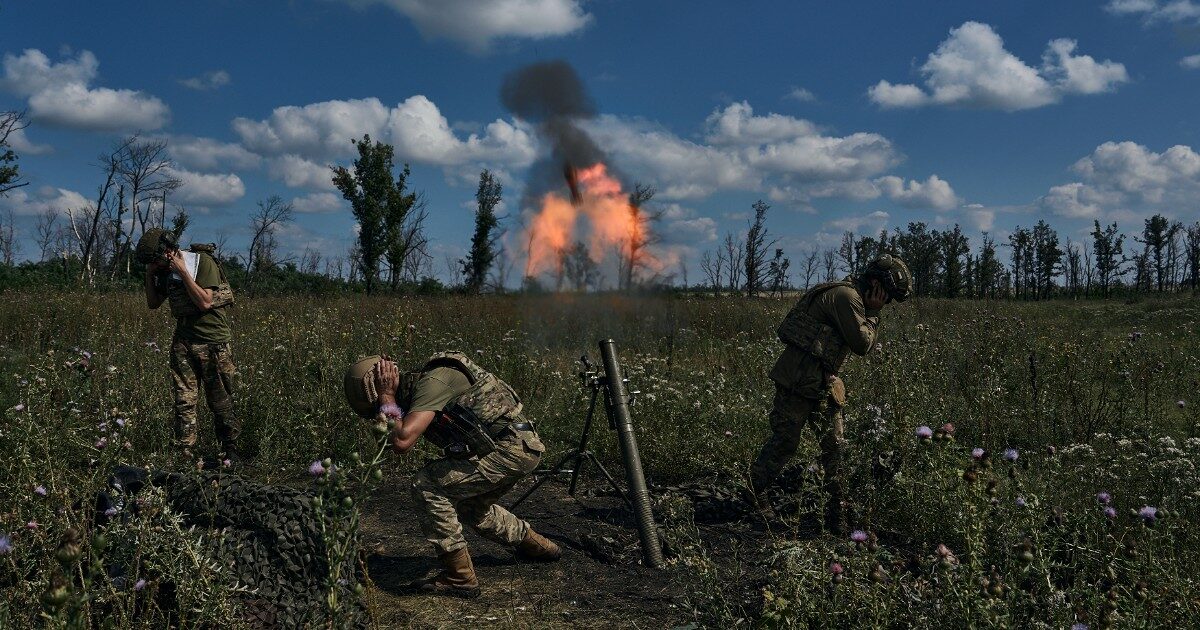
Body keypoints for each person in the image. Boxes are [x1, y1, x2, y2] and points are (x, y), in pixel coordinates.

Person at [344, 351, 561, 599]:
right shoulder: (420, 391)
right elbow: (390, 441)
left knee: (427, 483)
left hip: (511, 447)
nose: (381, 412)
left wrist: (385, 396)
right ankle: (540, 547)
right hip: (512, 448)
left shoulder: (432, 383)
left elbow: (402, 441)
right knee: (471, 509)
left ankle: (459, 577)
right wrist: (387, 405)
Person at [748, 254, 912, 533]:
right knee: (785, 442)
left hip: (823, 384)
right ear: (876, 284)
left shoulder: (852, 297)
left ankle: (839, 514)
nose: (887, 303)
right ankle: (754, 495)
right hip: (798, 382)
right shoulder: (846, 297)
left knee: (835, 449)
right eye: (888, 296)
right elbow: (862, 344)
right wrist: (872, 314)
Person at [137, 228, 240, 464]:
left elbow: (205, 302)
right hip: (183, 342)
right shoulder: (163, 271)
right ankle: (184, 454)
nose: (158, 265)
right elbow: (153, 303)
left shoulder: (201, 263)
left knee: (220, 400)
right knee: (184, 401)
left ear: (170, 251)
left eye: (158, 260)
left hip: (212, 341)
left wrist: (183, 273)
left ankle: (230, 451)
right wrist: (149, 275)